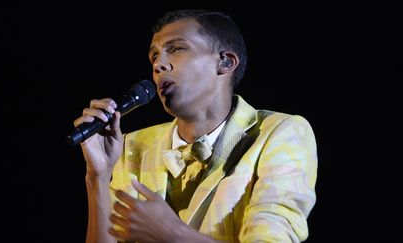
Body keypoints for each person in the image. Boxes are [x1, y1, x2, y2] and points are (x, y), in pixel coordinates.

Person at [73, 9, 317, 243]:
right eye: (154, 56)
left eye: (176, 49)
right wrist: (98, 177)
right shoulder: (132, 146)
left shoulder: (280, 133)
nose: (159, 65)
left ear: (225, 62)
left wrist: (175, 236)